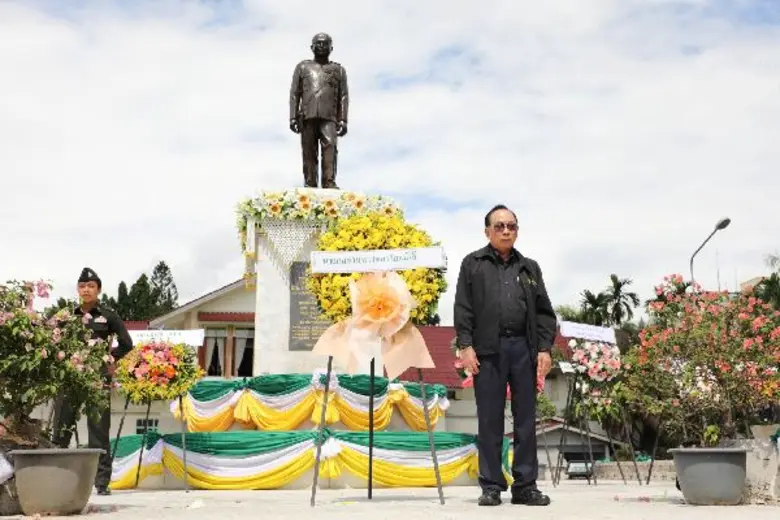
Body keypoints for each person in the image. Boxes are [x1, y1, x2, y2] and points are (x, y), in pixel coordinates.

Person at [453, 205, 557, 507]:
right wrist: (466, 345)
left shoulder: (529, 268)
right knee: (489, 420)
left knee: (526, 420)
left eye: (511, 225)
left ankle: (525, 486)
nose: (506, 231)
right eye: (499, 226)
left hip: (523, 350)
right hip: (488, 351)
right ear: (487, 231)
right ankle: (491, 486)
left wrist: (544, 348)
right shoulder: (472, 264)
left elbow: (543, 313)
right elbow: (463, 308)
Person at [52, 267, 133, 495]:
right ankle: (57, 477)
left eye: (91, 286)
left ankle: (102, 483)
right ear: (78, 289)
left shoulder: (108, 315)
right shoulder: (67, 315)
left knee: (98, 430)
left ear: (98, 290)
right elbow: (53, 340)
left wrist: (109, 358)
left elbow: (127, 343)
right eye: (82, 286)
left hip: (97, 379)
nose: (86, 290)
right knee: (62, 428)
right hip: (70, 378)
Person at [288, 32, 349, 189]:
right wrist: (293, 117)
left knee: (330, 147)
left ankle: (329, 182)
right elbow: (295, 93)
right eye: (319, 43)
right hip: (307, 115)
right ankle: (310, 183)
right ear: (312, 47)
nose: (322, 46)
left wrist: (343, 120)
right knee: (309, 151)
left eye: (325, 43)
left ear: (331, 48)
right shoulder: (303, 67)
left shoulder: (338, 70)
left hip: (329, 116)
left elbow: (343, 96)